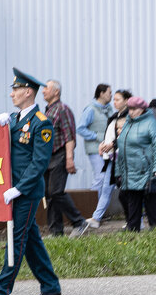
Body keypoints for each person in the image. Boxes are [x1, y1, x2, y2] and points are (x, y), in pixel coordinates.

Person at [0, 69, 63, 295]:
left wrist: (19, 189)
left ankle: (1, 292)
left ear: (28, 92)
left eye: (15, 90)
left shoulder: (42, 123)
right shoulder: (15, 120)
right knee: (30, 241)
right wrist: (1, 128)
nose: (12, 94)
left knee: (15, 240)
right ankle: (51, 287)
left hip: (26, 192)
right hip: (14, 190)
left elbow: (39, 163)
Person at [40, 79, 88, 238]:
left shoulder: (62, 109)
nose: (43, 91)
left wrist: (69, 159)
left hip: (60, 156)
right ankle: (55, 231)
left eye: (46, 88)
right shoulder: (47, 111)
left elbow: (69, 137)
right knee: (49, 194)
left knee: (56, 192)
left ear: (56, 92)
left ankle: (79, 222)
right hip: (49, 158)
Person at [112, 96, 156, 232]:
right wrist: (118, 171)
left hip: (145, 170)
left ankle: (154, 229)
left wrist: (155, 168)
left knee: (150, 201)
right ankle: (133, 228)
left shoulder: (150, 123)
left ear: (142, 109)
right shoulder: (128, 123)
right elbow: (121, 146)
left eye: (134, 109)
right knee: (132, 201)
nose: (131, 111)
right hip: (129, 170)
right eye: (129, 108)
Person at [77, 84, 114, 229]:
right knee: (100, 178)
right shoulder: (90, 109)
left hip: (107, 150)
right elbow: (81, 128)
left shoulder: (109, 109)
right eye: (109, 93)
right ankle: (91, 213)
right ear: (101, 93)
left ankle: (98, 214)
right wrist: (99, 137)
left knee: (106, 180)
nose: (111, 96)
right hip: (95, 149)